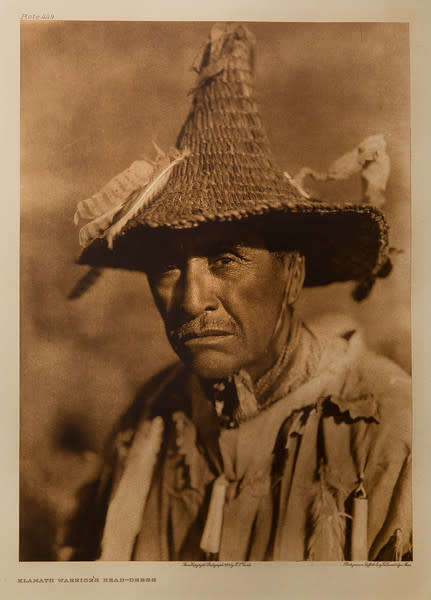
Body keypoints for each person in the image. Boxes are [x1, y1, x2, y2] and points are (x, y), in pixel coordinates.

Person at [64, 23, 411, 561]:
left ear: (292, 276)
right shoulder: (151, 421)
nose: (190, 300)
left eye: (226, 259)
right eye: (167, 268)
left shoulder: (388, 426)